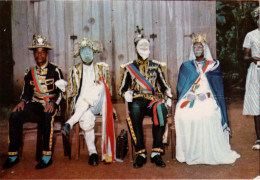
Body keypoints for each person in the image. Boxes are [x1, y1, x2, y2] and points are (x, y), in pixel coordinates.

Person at [175, 33, 240, 165]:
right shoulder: (186, 66)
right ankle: (189, 152)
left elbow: (217, 88)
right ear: (192, 50)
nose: (197, 49)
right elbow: (181, 87)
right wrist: (189, 95)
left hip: (208, 97)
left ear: (205, 49)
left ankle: (206, 152)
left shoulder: (213, 65)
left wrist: (206, 95)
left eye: (200, 47)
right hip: (190, 96)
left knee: (208, 114)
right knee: (182, 114)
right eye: (195, 47)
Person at [2, 35, 64, 169]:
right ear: (34, 54)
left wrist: (53, 103)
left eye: (42, 52)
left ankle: (46, 157)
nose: (39, 55)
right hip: (35, 105)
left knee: (47, 116)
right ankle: (13, 155)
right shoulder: (30, 72)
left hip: (50, 104)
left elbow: (61, 93)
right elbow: (26, 91)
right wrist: (22, 101)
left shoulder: (55, 71)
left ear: (46, 53)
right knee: (15, 115)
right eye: (36, 52)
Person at [118, 26, 173, 168]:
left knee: (161, 108)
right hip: (137, 100)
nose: (143, 47)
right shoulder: (129, 68)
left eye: (146, 45)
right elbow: (121, 89)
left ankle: (156, 152)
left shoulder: (156, 66)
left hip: (153, 100)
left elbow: (165, 85)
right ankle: (140, 153)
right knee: (135, 111)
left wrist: (168, 95)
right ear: (136, 48)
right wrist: (126, 94)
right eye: (140, 45)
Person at [61, 37, 116, 165]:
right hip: (83, 106)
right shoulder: (74, 70)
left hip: (100, 104)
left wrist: (99, 88)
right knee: (85, 116)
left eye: (89, 51)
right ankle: (93, 153)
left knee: (99, 86)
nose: (87, 54)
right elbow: (71, 93)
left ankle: (70, 122)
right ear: (79, 55)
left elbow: (108, 91)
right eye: (83, 51)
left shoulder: (102, 68)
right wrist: (64, 89)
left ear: (94, 52)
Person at [242, 7, 260, 150]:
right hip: (256, 71)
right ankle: (259, 139)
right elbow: (245, 55)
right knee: (256, 104)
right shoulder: (251, 35)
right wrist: (251, 58)